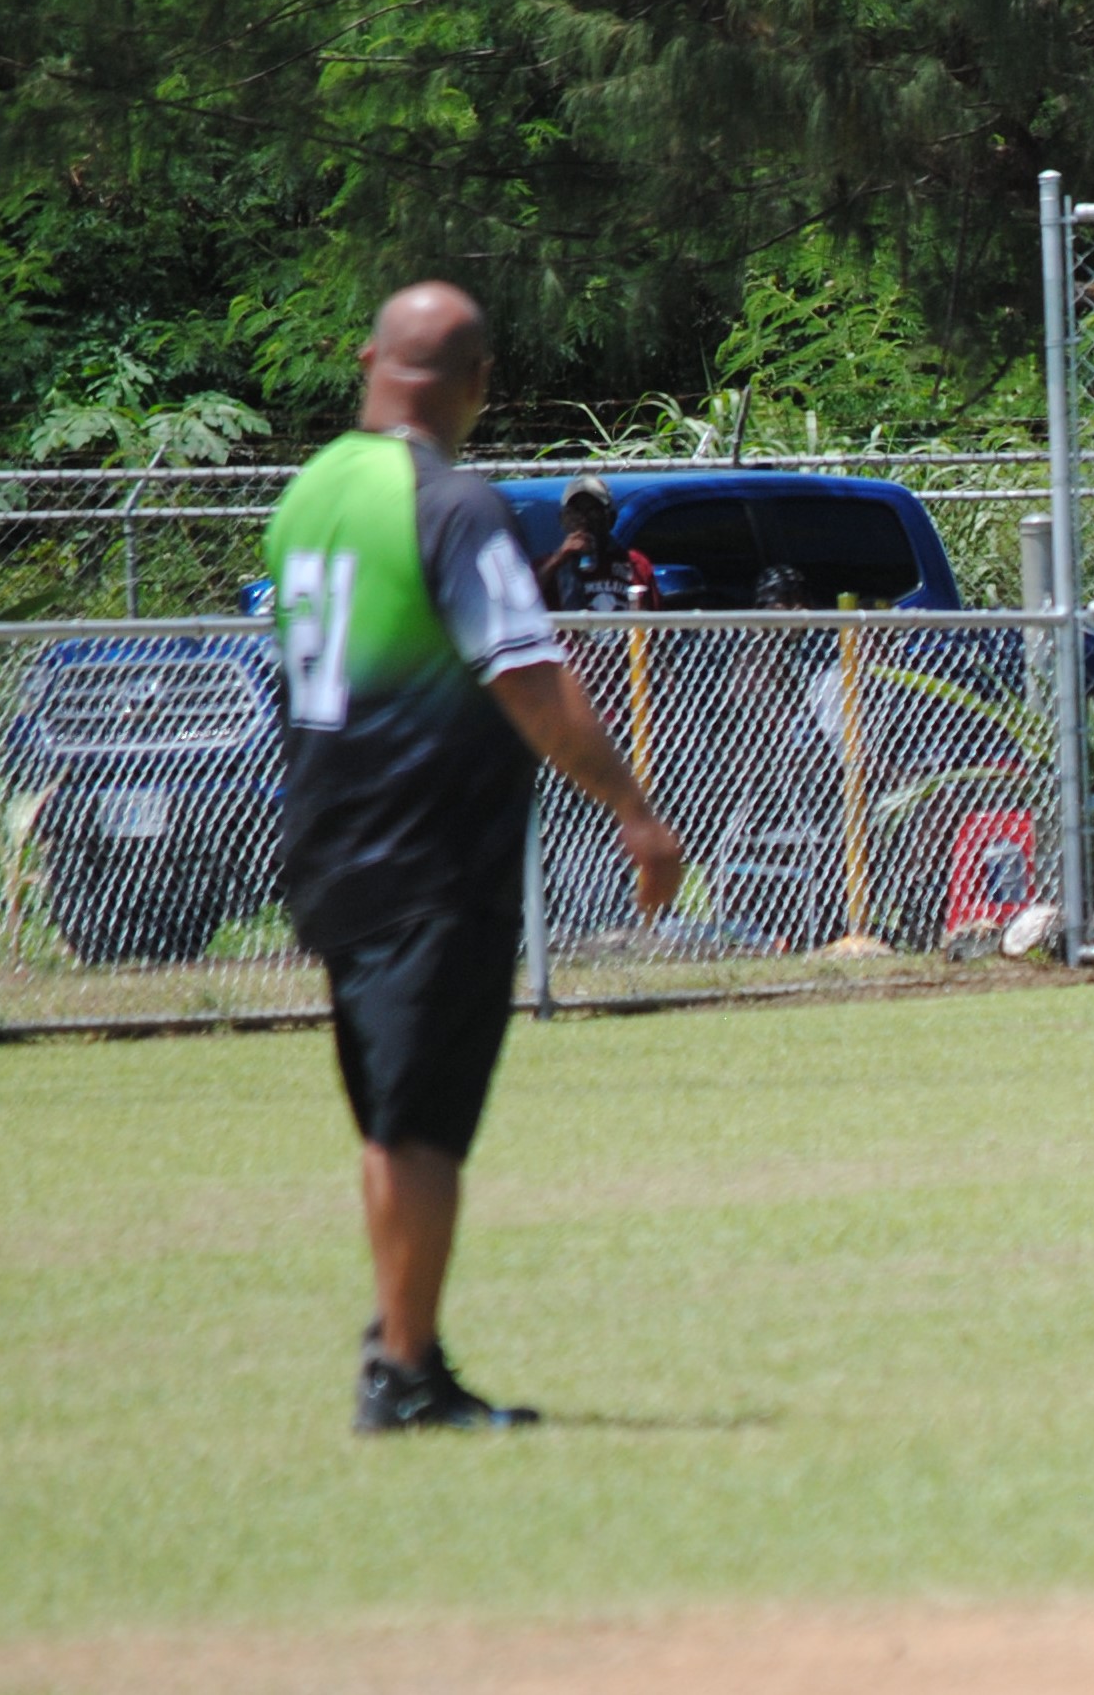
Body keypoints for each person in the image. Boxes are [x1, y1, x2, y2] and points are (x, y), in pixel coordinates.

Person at [266, 282, 684, 1433]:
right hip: (432, 852)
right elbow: (528, 675)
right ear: (477, 385)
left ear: (367, 361)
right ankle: (403, 1376)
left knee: (387, 1116)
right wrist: (634, 810)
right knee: (427, 1126)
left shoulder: (306, 496)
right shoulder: (453, 507)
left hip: (328, 846)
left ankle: (403, 1346)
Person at [534, 474, 661, 612]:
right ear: (562, 520)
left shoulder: (634, 563)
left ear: (611, 519)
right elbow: (523, 601)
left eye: (592, 510)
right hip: (572, 633)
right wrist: (560, 557)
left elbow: (655, 618)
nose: (583, 519)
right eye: (575, 511)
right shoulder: (548, 565)